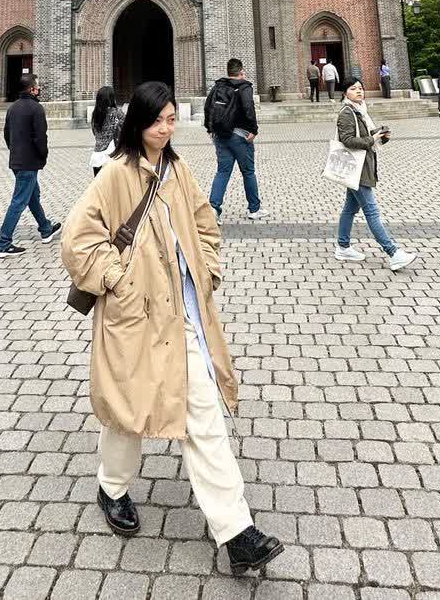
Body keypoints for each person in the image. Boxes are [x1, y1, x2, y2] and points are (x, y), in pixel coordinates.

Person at [61, 80, 284, 577]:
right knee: (127, 410)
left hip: (183, 316)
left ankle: (236, 533)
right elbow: (77, 241)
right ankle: (111, 487)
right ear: (138, 123)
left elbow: (205, 221)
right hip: (135, 316)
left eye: (171, 119)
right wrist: (118, 280)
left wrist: (209, 267)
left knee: (203, 416)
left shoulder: (178, 169)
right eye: (158, 120)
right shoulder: (115, 175)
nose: (167, 128)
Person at [333, 81, 417, 271]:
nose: (358, 91)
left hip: (361, 166)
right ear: (345, 93)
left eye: (360, 88)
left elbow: (365, 136)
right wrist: (373, 138)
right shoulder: (347, 113)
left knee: (349, 209)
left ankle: (343, 247)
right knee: (371, 212)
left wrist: (381, 136)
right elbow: (347, 140)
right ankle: (393, 253)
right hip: (358, 169)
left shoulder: (360, 111)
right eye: (353, 89)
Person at [0, 72, 62, 257]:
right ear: (32, 89)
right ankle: (3, 243)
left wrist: (15, 151)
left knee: (32, 196)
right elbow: (41, 137)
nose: (39, 88)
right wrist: (43, 156)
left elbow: (6, 134)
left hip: (17, 160)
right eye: (37, 86)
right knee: (19, 201)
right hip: (29, 162)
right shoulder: (36, 108)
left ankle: (46, 228)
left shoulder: (12, 108)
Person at [204, 58, 261, 221]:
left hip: (221, 135)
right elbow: (249, 108)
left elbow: (208, 107)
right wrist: (254, 130)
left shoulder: (218, 86)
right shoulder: (244, 87)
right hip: (240, 136)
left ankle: (214, 209)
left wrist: (210, 128)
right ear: (241, 71)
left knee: (222, 172)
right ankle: (254, 209)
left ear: (228, 72)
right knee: (248, 172)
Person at [90, 85, 123, 177]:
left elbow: (94, 132)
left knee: (99, 185)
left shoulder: (95, 114)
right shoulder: (117, 113)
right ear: (112, 98)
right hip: (112, 155)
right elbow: (126, 130)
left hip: (97, 156)